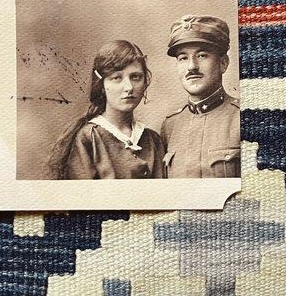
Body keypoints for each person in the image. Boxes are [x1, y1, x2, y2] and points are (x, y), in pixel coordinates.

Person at [46, 40, 164, 179]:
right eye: (116, 78)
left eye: (135, 77)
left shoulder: (152, 140)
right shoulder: (88, 138)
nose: (129, 87)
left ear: (145, 82)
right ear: (101, 85)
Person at [160, 16, 240, 178]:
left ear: (223, 63)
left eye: (202, 55)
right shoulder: (170, 126)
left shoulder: (242, 117)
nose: (192, 66)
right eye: (183, 58)